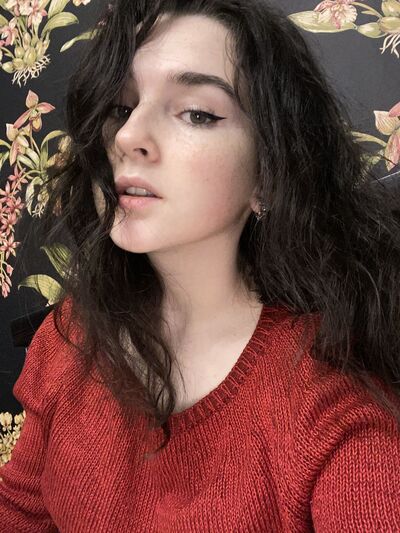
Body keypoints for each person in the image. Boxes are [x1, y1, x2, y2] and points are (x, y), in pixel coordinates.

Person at [1, 0, 400, 530]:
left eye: (196, 113)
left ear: (268, 177)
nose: (128, 137)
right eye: (121, 107)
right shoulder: (69, 335)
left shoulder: (333, 412)